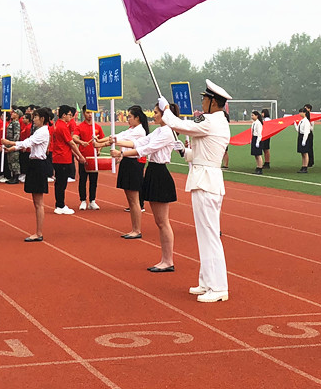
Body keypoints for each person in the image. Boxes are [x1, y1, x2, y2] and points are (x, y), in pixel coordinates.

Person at [158, 79, 231, 303]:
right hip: (206, 179)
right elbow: (202, 154)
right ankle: (207, 281)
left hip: (207, 182)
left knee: (209, 235)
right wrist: (185, 152)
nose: (202, 102)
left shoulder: (211, 121)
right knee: (204, 234)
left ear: (213, 102)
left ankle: (218, 287)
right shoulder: (215, 121)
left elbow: (181, 125)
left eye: (205, 99)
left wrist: (166, 110)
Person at [114, 103, 181, 272]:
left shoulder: (167, 132)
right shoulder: (159, 130)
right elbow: (140, 142)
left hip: (160, 174)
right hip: (152, 172)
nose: (154, 115)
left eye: (157, 112)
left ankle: (168, 261)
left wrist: (122, 153)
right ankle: (165, 260)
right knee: (160, 222)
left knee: (163, 222)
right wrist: (114, 141)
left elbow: (147, 148)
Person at [96, 105, 148, 239]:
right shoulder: (131, 129)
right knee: (130, 199)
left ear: (137, 118)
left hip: (133, 164)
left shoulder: (139, 131)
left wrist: (101, 144)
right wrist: (99, 141)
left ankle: (137, 230)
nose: (127, 119)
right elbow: (115, 136)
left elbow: (119, 140)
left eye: (130, 116)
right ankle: (134, 229)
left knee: (134, 199)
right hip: (127, 163)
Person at [2, 107, 53, 242]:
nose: (33, 119)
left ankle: (39, 233)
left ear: (42, 118)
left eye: (35, 117)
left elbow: (27, 142)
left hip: (39, 165)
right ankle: (38, 232)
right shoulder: (39, 130)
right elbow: (28, 143)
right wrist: (12, 148)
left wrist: (10, 143)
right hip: (34, 164)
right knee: (36, 202)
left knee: (39, 202)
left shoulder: (43, 131)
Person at [50, 105, 86, 215]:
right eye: (70, 115)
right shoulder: (62, 127)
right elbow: (71, 143)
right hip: (62, 157)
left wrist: (76, 155)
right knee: (61, 183)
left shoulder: (57, 125)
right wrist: (80, 155)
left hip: (59, 156)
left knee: (60, 182)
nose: (71, 117)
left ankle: (60, 204)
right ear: (64, 115)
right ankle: (60, 205)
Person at [74, 106, 105, 210]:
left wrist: (99, 149)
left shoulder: (97, 127)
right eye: (87, 112)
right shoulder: (80, 127)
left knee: (93, 180)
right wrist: (81, 142)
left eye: (91, 113)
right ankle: (83, 200)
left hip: (94, 158)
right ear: (83, 113)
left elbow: (101, 140)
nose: (90, 115)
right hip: (83, 158)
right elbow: (74, 137)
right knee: (83, 180)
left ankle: (92, 201)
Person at [295, 108, 311, 173]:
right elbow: (299, 130)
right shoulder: (301, 121)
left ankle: (305, 167)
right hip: (300, 136)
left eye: (301, 112)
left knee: (305, 153)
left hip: (304, 137)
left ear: (304, 113)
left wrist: (304, 140)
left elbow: (306, 132)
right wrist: (295, 125)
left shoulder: (306, 121)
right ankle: (303, 165)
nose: (300, 114)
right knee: (302, 153)